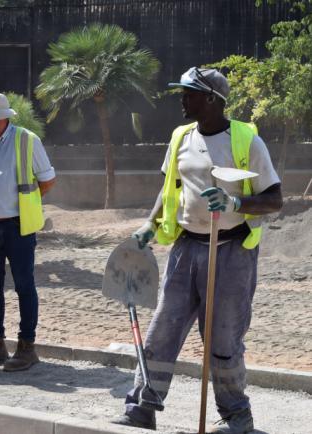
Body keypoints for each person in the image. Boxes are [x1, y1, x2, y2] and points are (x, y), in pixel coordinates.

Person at [112, 67, 283, 433]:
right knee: (161, 331)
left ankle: (238, 417)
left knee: (223, 338)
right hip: (185, 249)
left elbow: (274, 199)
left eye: (188, 93)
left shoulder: (247, 142)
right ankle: (143, 406)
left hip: (231, 252)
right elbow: (168, 188)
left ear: (211, 99)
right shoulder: (180, 137)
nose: (182, 99)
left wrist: (235, 204)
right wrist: (150, 223)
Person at [0, 92, 56, 372]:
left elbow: (47, 181)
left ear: (2, 118)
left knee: (24, 286)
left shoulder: (27, 140)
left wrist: (22, 206)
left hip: (17, 227)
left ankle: (27, 347)